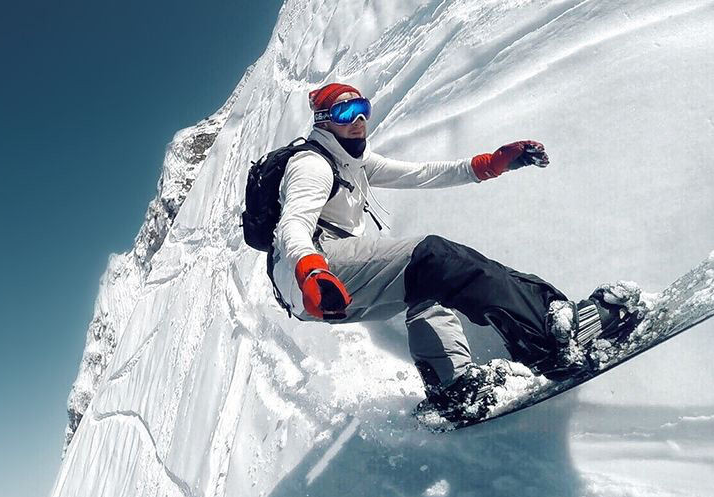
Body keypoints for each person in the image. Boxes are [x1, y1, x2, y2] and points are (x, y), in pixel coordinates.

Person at [265, 82, 645, 423]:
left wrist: (488, 165)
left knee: (426, 288)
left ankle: (454, 389)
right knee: (434, 257)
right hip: (315, 272)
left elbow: (423, 173)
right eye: (346, 113)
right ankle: (550, 336)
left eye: (363, 108)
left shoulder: (356, 161)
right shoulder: (312, 164)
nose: (359, 119)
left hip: (316, 286)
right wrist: (312, 270)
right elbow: (293, 223)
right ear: (324, 121)